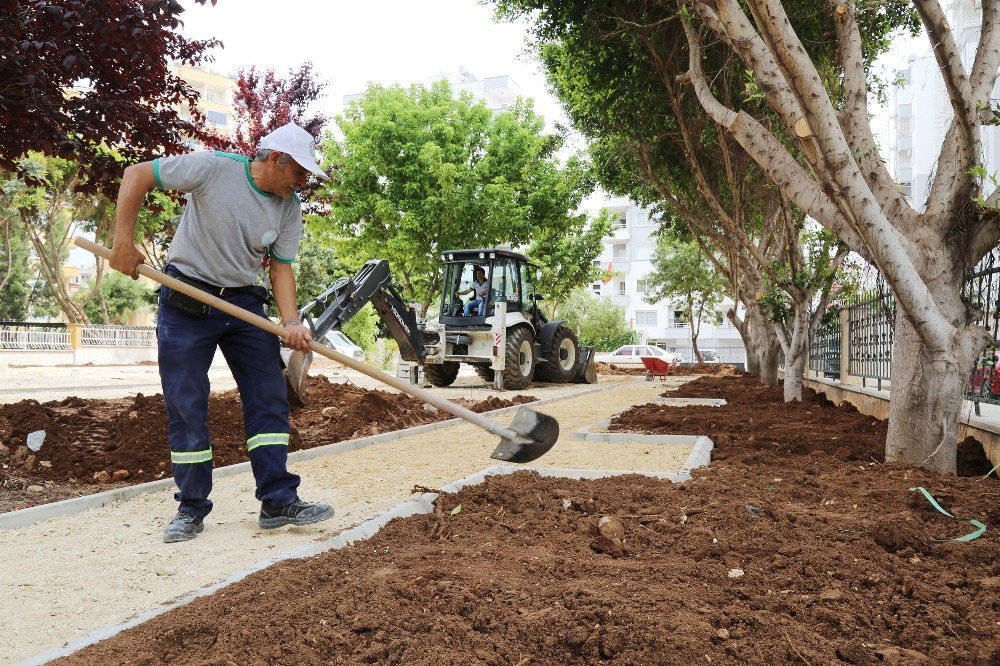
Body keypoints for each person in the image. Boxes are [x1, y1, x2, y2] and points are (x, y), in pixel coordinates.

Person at [110, 122, 335, 543]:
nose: (303, 183)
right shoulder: (212, 168)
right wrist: (123, 239)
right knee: (187, 404)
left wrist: (290, 323)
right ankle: (191, 508)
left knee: (269, 396)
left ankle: (278, 499)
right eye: (300, 173)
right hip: (187, 298)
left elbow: (280, 267)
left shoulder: (289, 206)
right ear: (275, 160)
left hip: (243, 304)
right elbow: (137, 173)